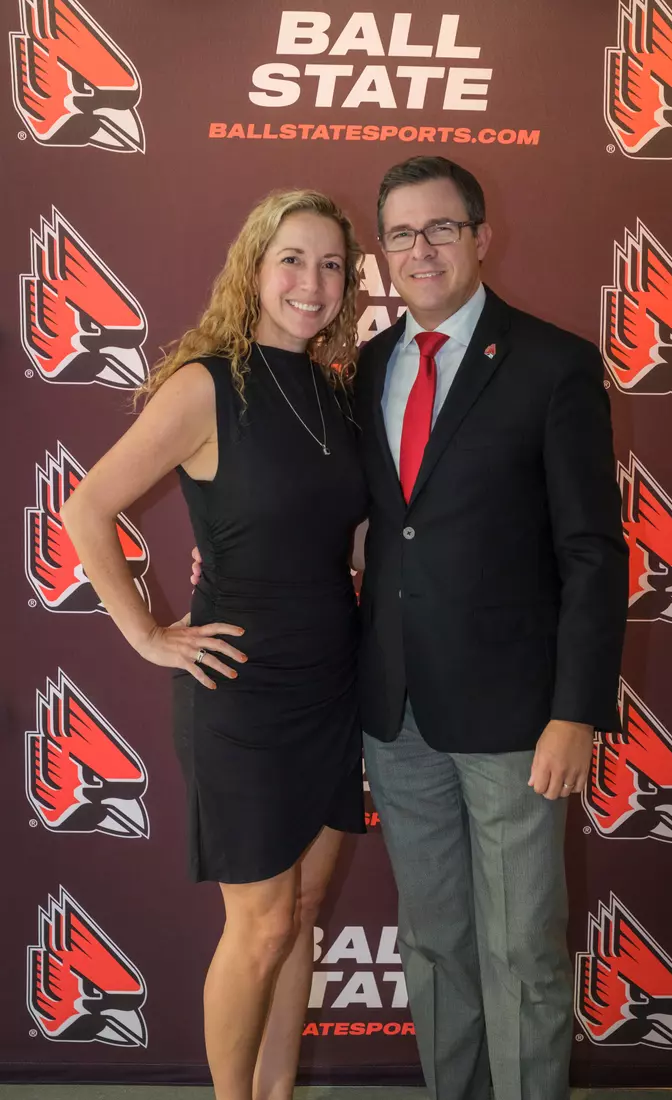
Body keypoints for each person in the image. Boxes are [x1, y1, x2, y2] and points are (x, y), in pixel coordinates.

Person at [61, 189, 368, 1100]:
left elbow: (347, 537)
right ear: (254, 268)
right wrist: (147, 634)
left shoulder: (336, 393)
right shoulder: (206, 385)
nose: (311, 282)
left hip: (333, 683)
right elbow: (86, 507)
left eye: (330, 265)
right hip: (241, 691)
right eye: (292, 260)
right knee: (262, 924)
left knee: (302, 910)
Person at [353, 156, 629, 1100]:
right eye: (400, 233)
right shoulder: (369, 367)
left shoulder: (553, 364)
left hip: (516, 720)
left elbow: (592, 552)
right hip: (397, 714)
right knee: (434, 947)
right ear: (382, 251)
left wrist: (574, 712)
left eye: (440, 228)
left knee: (522, 953)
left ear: (480, 236)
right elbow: (371, 520)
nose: (420, 250)